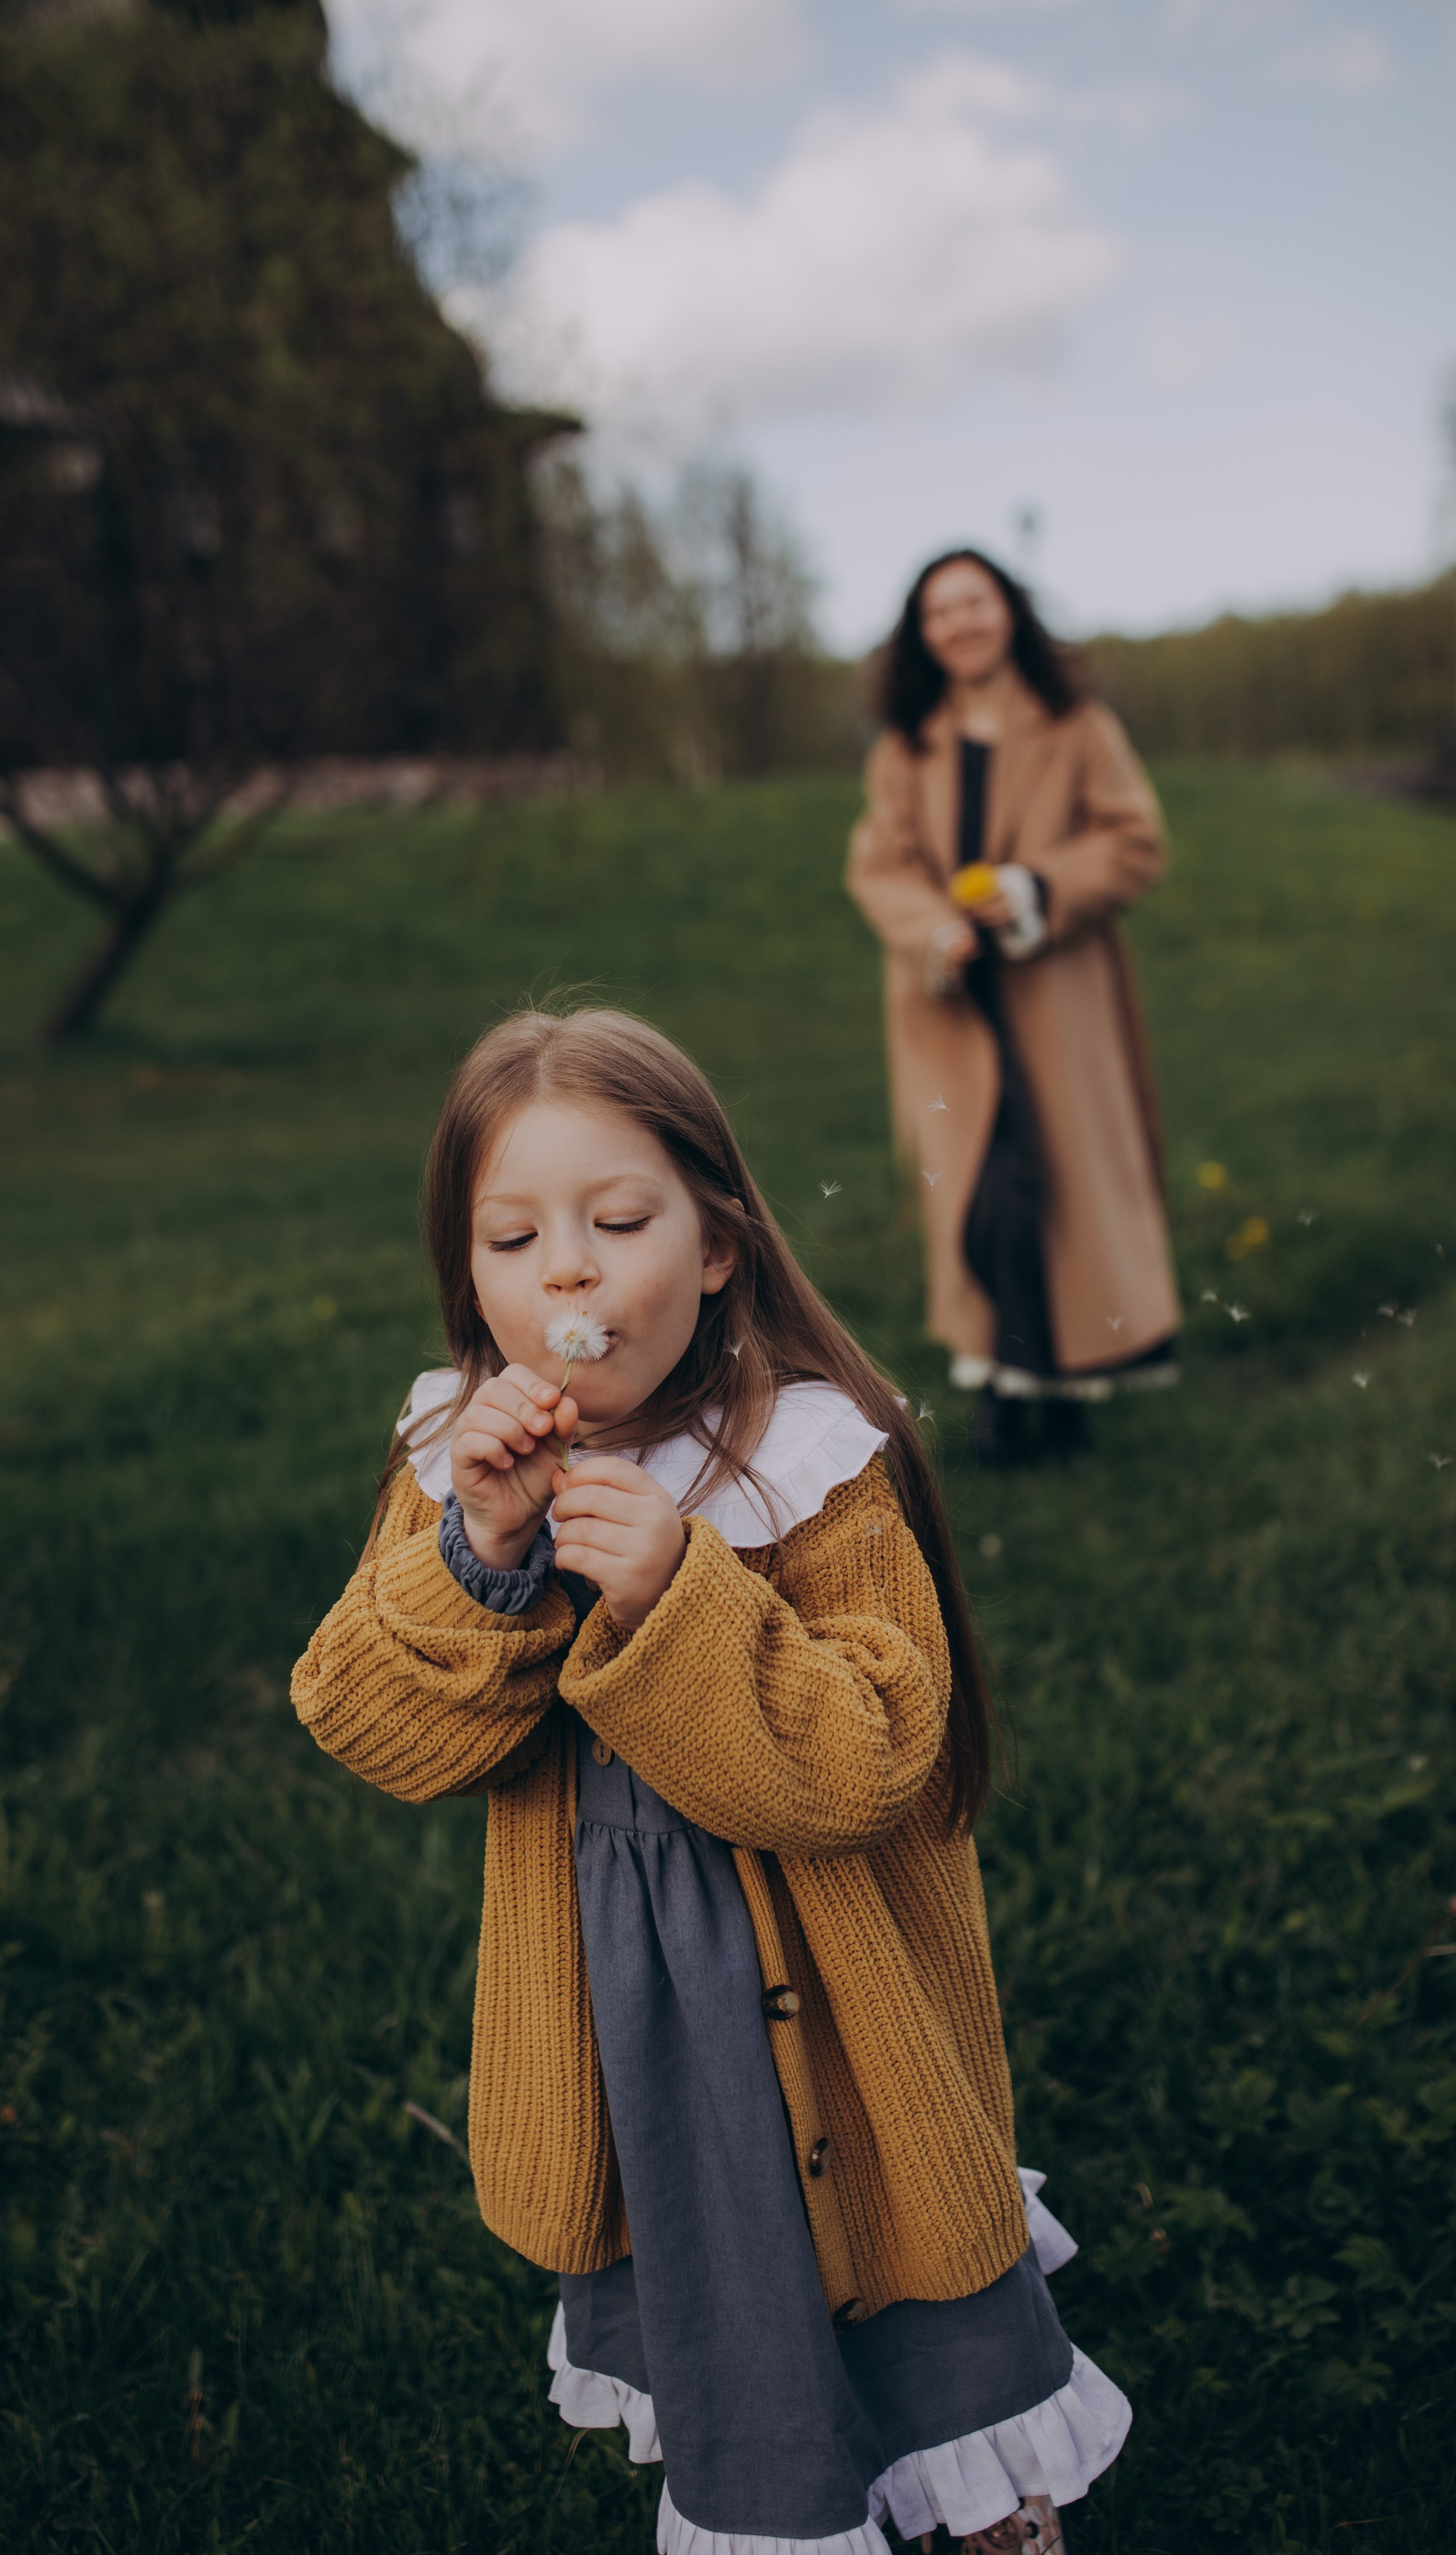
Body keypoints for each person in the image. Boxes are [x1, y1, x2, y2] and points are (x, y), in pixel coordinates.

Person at [291, 1005, 1129, 2554]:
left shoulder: (804, 1466)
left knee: (923, 2315)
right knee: (730, 2322)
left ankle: (998, 2516)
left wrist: (677, 1595)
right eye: (511, 1234)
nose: (567, 1271)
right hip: (636, 2042)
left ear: (719, 1245)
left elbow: (869, 1757)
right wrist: (481, 1558)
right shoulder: (455, 1473)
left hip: (849, 2027)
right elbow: (368, 1723)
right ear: (466, 1269)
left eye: (618, 1221)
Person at [846, 550, 1180, 1464]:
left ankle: (1057, 1394)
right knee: (984, 1200)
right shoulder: (906, 745)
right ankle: (1003, 1382)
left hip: (1056, 997)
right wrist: (932, 931)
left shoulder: (1078, 727)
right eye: (938, 611)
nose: (958, 622)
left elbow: (1134, 840)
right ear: (923, 634)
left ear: (1008, 612)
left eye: (973, 603)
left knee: (1054, 1195)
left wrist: (1038, 886)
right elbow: (879, 868)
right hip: (951, 1005)